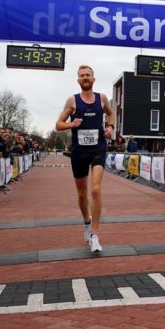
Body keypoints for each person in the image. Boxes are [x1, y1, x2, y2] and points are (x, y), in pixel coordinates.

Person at [55, 65, 115, 253]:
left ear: (94, 79)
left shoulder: (102, 98)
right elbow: (58, 124)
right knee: (82, 194)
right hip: (79, 151)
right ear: (78, 80)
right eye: (82, 75)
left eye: (88, 74)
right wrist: (71, 124)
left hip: (98, 148)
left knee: (96, 190)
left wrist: (111, 127)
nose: (85, 77)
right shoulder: (72, 101)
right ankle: (87, 223)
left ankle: (95, 236)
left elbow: (111, 113)